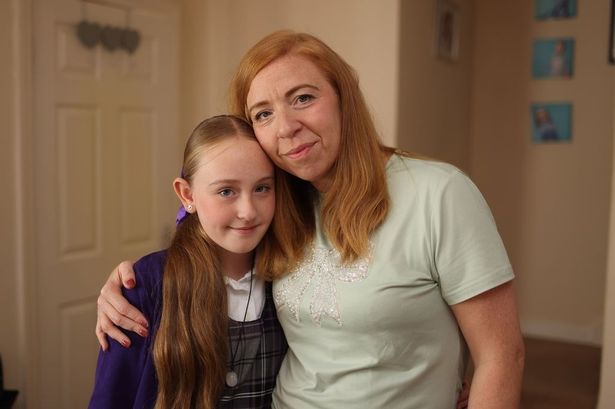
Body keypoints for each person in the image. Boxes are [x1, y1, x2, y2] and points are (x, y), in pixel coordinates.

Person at [95, 30, 524, 408]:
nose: (286, 127)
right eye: (263, 114)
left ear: (343, 98)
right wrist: (133, 283)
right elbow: (212, 217)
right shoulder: (281, 202)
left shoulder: (439, 193)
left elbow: (501, 356)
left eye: (303, 98)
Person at [89, 115, 289, 409]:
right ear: (187, 195)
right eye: (226, 191)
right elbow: (111, 399)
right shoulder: (146, 285)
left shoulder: (289, 278)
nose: (248, 211)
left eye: (262, 188)